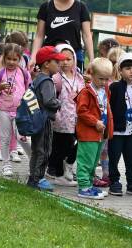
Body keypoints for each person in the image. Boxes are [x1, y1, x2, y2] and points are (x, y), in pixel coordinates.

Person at [30, 0, 94, 72]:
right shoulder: (46, 7)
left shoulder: (81, 7)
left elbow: (87, 35)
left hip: (73, 57)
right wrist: (33, 57)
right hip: (50, 59)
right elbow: (39, 36)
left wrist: (92, 59)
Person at [108, 52, 132, 197]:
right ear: (120, 70)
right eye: (128, 68)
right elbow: (109, 107)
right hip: (118, 131)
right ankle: (114, 182)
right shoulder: (115, 87)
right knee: (114, 157)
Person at [25, 46, 63, 191]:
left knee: (36, 150)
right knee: (44, 150)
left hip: (36, 119)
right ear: (47, 64)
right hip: (44, 120)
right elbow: (48, 101)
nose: (59, 65)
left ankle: (33, 177)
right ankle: (38, 179)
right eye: (56, 62)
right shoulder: (47, 81)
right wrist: (59, 103)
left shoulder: (38, 78)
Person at [0, 43, 30, 176]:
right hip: (3, 109)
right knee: (5, 138)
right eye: (9, 59)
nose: (11, 62)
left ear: (19, 59)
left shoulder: (24, 73)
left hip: (19, 111)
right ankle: (6, 165)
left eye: (15, 59)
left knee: (22, 137)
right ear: (4, 58)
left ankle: (33, 163)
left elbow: (29, 89)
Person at [75, 58, 114, 199]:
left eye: (106, 79)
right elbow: (81, 111)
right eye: (101, 79)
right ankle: (84, 187)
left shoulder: (104, 90)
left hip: (100, 134)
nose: (104, 82)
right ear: (91, 74)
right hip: (88, 133)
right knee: (85, 160)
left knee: (93, 162)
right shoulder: (86, 92)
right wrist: (94, 122)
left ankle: (89, 185)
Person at [47, 43, 84, 186]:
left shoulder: (79, 77)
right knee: (60, 146)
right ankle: (58, 173)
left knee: (78, 143)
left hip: (77, 119)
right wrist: (55, 116)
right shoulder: (56, 78)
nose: (65, 62)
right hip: (61, 120)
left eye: (69, 59)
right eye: (61, 59)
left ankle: (67, 166)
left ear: (74, 59)